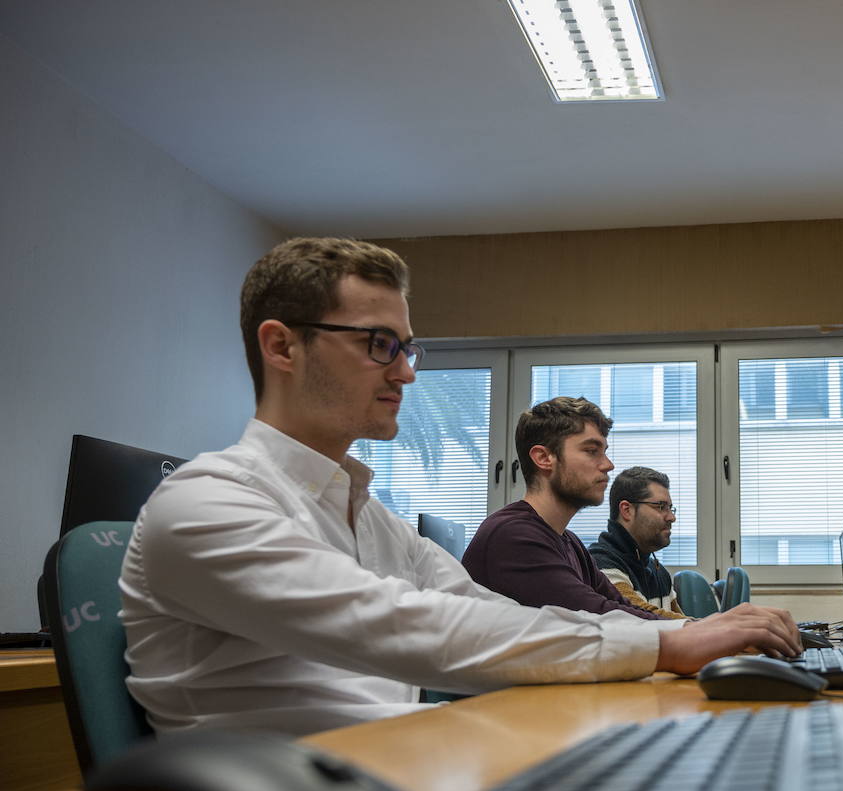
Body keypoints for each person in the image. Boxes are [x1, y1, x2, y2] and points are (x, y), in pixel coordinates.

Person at [118, 237, 800, 737]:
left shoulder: (369, 518)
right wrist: (664, 644)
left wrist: (675, 640)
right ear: (282, 347)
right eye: (379, 344)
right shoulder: (203, 503)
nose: (407, 373)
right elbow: (409, 628)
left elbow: (484, 612)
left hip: (392, 773)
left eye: (407, 348)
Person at [463, 398, 685, 620]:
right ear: (543, 458)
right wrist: (706, 631)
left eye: (604, 451)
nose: (608, 464)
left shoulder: (571, 543)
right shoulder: (512, 536)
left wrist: (703, 628)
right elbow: (597, 616)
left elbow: (621, 606)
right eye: (591, 450)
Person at [588, 466, 683, 617]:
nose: (672, 517)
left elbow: (682, 620)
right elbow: (639, 614)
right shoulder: (601, 564)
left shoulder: (658, 570)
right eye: (661, 507)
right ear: (627, 510)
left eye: (670, 508)